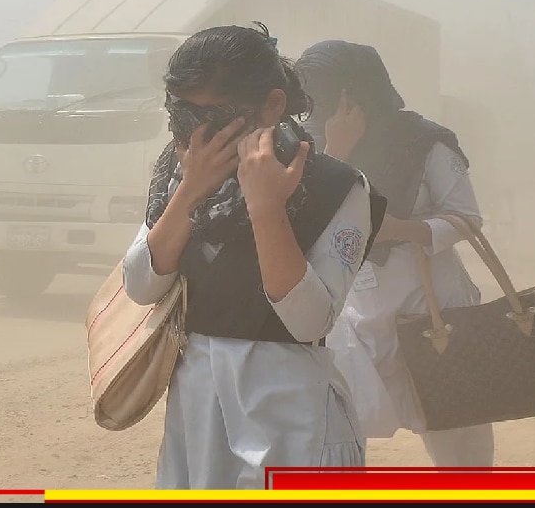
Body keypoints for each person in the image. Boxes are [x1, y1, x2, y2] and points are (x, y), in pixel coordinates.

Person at [123, 24, 386, 490]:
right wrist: (190, 191)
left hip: (291, 424)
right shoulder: (178, 174)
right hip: (198, 416)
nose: (199, 136)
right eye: (184, 116)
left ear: (272, 105)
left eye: (219, 118)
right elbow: (142, 285)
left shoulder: (336, 187)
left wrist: (267, 209)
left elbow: (308, 323)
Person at [295, 40, 495, 467]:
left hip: (431, 303)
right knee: (339, 425)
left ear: (353, 93)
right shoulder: (307, 146)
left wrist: (401, 230)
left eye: (326, 94)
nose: (315, 107)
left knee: (455, 427)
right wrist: (339, 149)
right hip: (352, 309)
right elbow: (304, 220)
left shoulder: (424, 142)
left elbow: (467, 217)